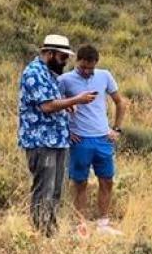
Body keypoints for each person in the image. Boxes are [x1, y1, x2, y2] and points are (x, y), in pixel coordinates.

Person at [18, 34, 95, 235]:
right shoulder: (34, 73)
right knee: (44, 188)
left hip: (57, 140)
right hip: (41, 140)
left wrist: (66, 105)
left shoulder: (49, 73)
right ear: (50, 53)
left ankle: (50, 230)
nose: (65, 62)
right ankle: (41, 232)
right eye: (62, 57)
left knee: (55, 190)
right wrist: (75, 100)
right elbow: (46, 105)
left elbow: (54, 101)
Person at [59, 44, 127, 236]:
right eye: (83, 67)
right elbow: (53, 105)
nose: (87, 71)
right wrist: (66, 130)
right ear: (76, 61)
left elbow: (120, 102)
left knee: (107, 180)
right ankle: (80, 226)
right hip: (80, 140)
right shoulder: (65, 80)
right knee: (80, 183)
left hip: (103, 138)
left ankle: (103, 224)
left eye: (91, 68)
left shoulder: (104, 76)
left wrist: (117, 129)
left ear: (96, 64)